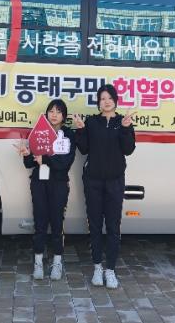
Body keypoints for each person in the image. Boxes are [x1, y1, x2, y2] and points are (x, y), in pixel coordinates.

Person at [72, 84, 136, 289]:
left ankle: (111, 270)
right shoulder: (92, 122)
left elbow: (128, 149)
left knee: (113, 226)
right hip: (93, 181)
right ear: (98, 102)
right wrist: (81, 130)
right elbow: (83, 149)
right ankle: (97, 267)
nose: (106, 102)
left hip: (115, 181)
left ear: (115, 100)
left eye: (109, 98)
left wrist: (125, 129)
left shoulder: (122, 121)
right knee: (95, 225)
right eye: (102, 98)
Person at [15, 99, 76, 281]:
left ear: (64, 115)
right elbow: (30, 164)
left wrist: (46, 160)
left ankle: (57, 262)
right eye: (51, 111)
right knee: (40, 223)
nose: (54, 114)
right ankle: (38, 262)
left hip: (58, 183)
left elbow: (66, 162)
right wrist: (27, 154)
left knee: (57, 223)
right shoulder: (39, 131)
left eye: (58, 111)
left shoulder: (68, 134)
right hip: (39, 183)